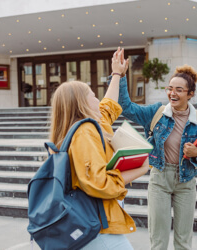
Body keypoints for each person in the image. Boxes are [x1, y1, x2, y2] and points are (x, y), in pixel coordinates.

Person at [49, 47, 149, 249]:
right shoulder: (85, 132)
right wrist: (140, 169)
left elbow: (108, 106)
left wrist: (117, 74)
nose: (98, 99)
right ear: (82, 104)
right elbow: (99, 183)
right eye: (93, 95)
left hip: (89, 221)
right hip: (97, 224)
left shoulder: (82, 127)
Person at [116, 64, 197, 249]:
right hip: (160, 179)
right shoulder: (156, 112)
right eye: (169, 88)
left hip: (186, 182)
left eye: (179, 90)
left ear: (190, 94)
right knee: (158, 240)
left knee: (183, 241)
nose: (172, 93)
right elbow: (125, 107)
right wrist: (121, 76)